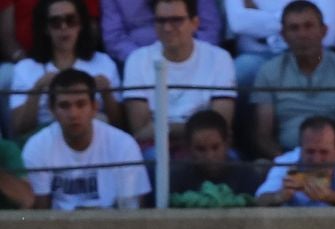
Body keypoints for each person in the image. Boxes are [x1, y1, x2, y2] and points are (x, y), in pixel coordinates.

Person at [22, 67, 150, 206]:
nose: (73, 114)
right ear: (52, 110)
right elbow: (40, 215)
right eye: (64, 106)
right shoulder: (37, 147)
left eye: (81, 104)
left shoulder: (123, 144)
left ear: (95, 107)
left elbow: (132, 211)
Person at [252, 0, 335, 155]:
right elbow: (263, 136)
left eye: (309, 26)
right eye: (294, 28)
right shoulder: (268, 72)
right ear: (283, 36)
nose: (302, 34)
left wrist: (333, 159)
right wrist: (287, 164)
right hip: (286, 159)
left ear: (323, 31)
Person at [122, 0, 236, 148]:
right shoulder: (137, 60)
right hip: (155, 148)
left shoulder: (219, 58)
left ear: (195, 23)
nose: (167, 28)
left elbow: (219, 128)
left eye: (176, 20)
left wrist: (164, 128)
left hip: (204, 150)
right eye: (160, 21)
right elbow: (140, 130)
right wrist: (194, 128)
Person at [8, 0, 121, 138]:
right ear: (45, 28)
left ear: (81, 25)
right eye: (55, 22)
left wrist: (107, 93)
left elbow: (120, 125)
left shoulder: (104, 63)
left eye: (71, 20)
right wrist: (36, 91)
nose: (64, 27)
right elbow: (19, 128)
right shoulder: (25, 68)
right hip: (43, 141)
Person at [224, 0, 335, 90]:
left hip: (315, 55)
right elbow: (238, 23)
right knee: (240, 71)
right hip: (257, 56)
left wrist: (260, 19)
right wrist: (297, 21)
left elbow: (328, 33)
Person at [257, 111, 335, 202]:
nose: (316, 160)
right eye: (310, 152)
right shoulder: (286, 161)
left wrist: (329, 196)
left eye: (324, 152)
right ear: (301, 149)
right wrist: (279, 196)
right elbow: (261, 199)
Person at [168, 104, 265, 200]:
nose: (209, 156)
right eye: (200, 149)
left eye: (215, 147)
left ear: (227, 143)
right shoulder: (176, 178)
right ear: (188, 147)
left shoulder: (246, 176)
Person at [100, 0, 221, 63]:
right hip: (137, 60)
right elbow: (114, 38)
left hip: (191, 56)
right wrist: (142, 61)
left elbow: (209, 29)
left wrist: (188, 56)